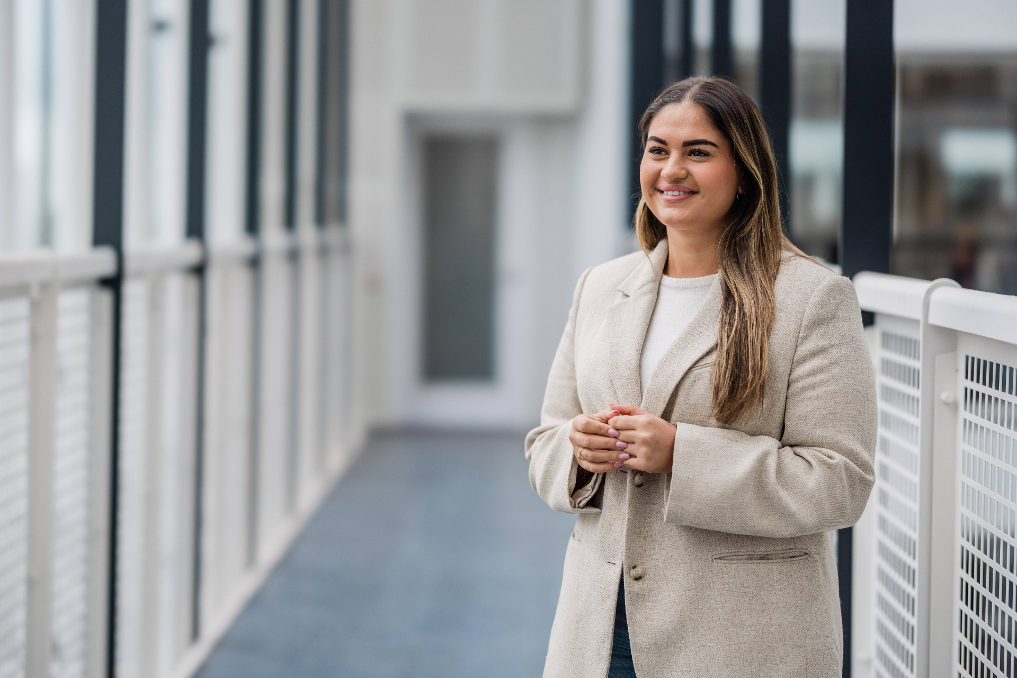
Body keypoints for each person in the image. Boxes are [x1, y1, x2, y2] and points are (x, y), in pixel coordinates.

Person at [524, 77, 877, 678]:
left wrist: (680, 454)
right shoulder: (600, 287)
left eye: (699, 152)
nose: (672, 170)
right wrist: (579, 452)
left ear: (745, 172)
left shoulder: (812, 298)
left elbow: (840, 482)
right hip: (598, 631)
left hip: (739, 641)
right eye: (658, 150)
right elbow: (544, 443)